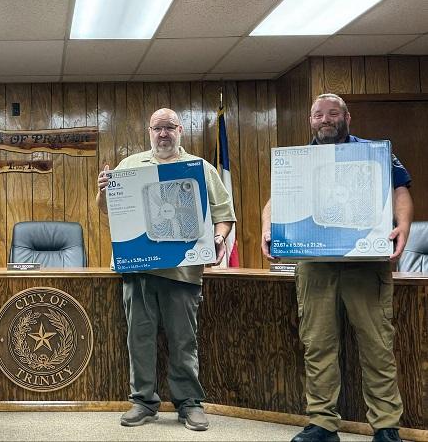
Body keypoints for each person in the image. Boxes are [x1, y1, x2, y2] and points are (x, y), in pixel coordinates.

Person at [261, 94, 413, 442]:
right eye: (318, 115)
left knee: (377, 346)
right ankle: (323, 424)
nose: (325, 120)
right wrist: (269, 227)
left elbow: (400, 189)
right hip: (316, 267)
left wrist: (403, 226)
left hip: (365, 262)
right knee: (318, 346)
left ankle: (386, 427)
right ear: (310, 121)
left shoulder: (374, 152)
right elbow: (275, 201)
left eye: (332, 113)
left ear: (347, 117)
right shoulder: (298, 161)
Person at [96, 108, 236, 431]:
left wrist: (218, 237)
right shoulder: (130, 166)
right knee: (139, 339)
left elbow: (225, 214)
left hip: (183, 274)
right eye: (157, 128)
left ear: (180, 131)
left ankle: (189, 403)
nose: (163, 134)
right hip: (139, 272)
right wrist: (103, 190)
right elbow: (107, 211)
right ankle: (143, 401)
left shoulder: (199, 168)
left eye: (169, 128)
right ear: (149, 132)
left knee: (183, 340)